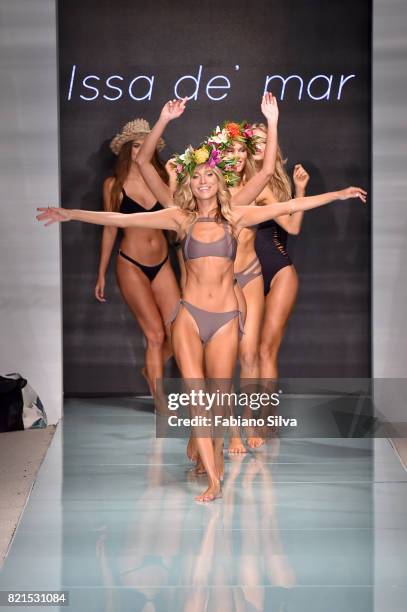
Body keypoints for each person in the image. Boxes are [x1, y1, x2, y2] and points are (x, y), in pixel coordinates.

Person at [37, 96, 366, 502]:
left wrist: (334, 193)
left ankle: (205, 445)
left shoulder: (237, 215)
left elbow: (282, 192)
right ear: (191, 183)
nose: (204, 182)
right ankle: (213, 477)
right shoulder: (180, 217)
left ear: (220, 182)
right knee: (197, 395)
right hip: (190, 315)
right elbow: (121, 219)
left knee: (218, 396)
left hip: (227, 314)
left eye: (211, 177)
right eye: (198, 178)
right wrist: (71, 214)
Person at [95, 118, 180, 396]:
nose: (140, 150)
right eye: (135, 146)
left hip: (163, 262)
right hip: (131, 264)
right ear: (126, 150)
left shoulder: (163, 179)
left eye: (146, 145)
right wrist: (101, 274)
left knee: (180, 332)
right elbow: (109, 228)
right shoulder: (114, 185)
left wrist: (175, 181)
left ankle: (150, 370)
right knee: (154, 335)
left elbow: (177, 217)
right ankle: (160, 401)